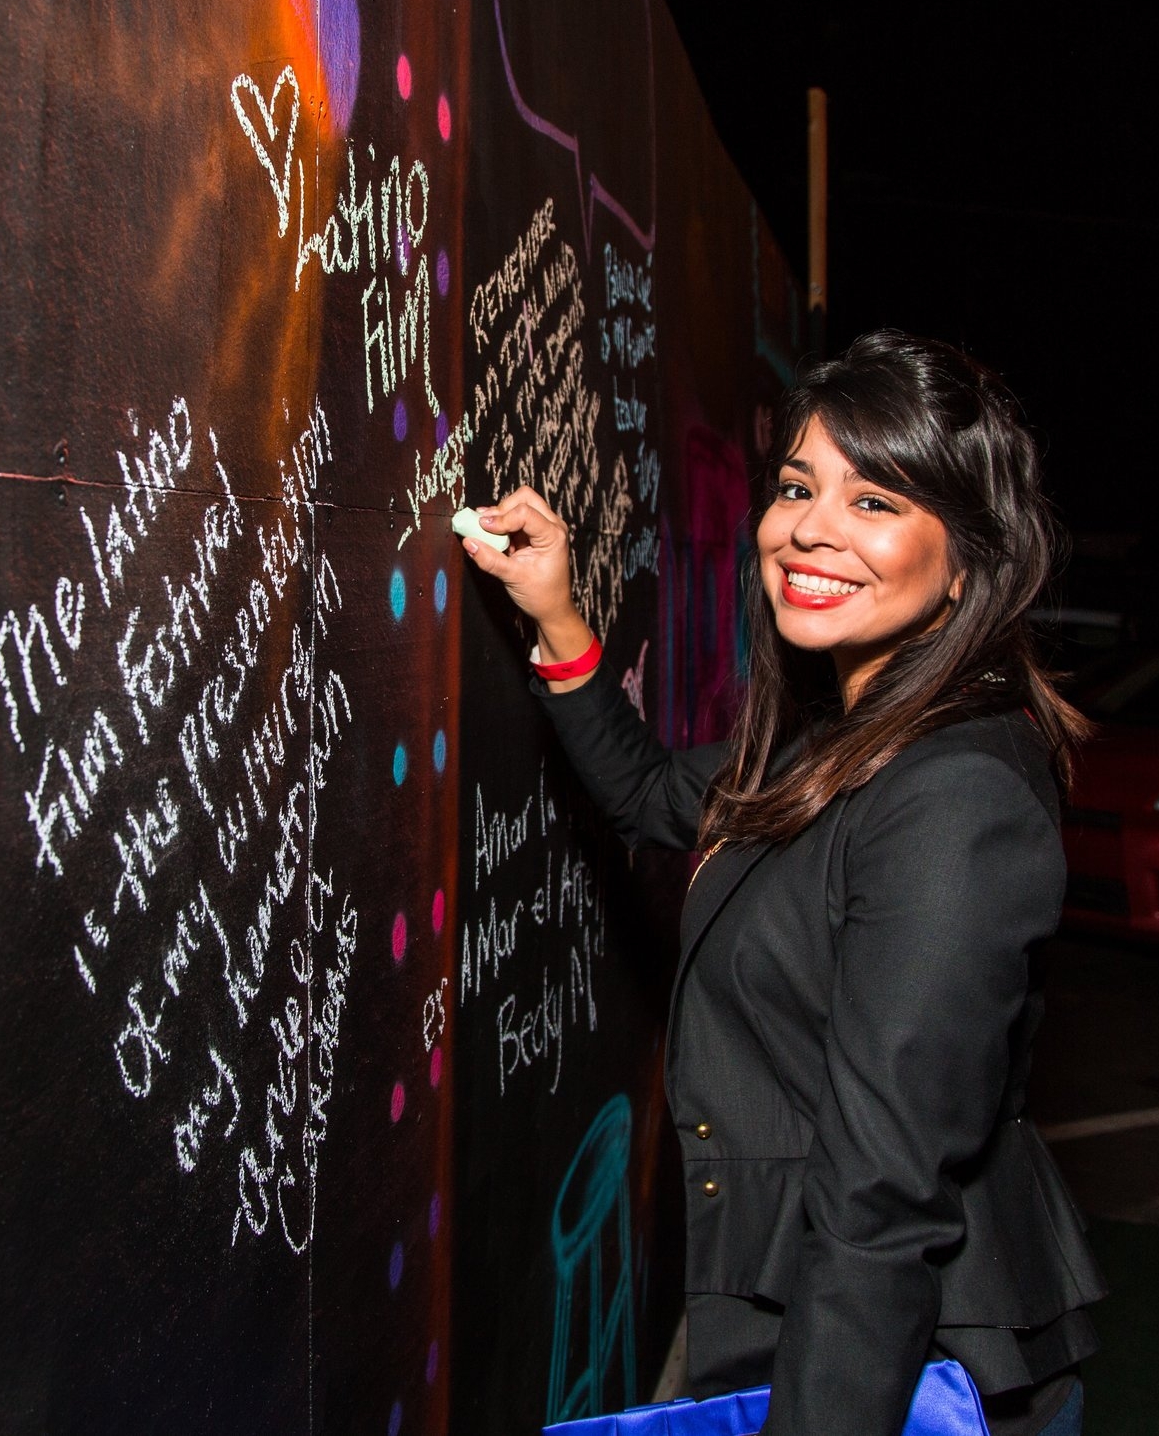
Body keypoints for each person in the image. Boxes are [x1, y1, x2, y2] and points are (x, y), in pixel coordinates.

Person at [459, 332, 1105, 1436]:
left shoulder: (954, 798)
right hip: (781, 1308)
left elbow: (882, 1199)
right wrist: (557, 614)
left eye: (877, 500)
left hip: (894, 1353)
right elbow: (658, 796)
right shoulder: (842, 739)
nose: (810, 527)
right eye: (801, 486)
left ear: (968, 560)